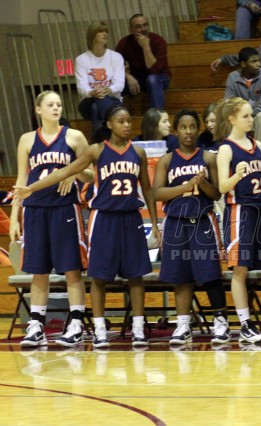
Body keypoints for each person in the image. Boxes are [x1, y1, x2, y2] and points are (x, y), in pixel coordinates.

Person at [14, 105, 160, 349]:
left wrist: (154, 223)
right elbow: (64, 171)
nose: (127, 125)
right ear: (109, 124)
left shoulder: (138, 152)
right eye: (121, 121)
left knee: (135, 276)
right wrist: (31, 188)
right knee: (99, 276)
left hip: (131, 217)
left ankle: (137, 327)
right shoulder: (96, 150)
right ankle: (100, 329)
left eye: (129, 121)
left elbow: (147, 189)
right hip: (103, 218)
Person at [10, 91, 93, 348]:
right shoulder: (26, 140)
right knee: (39, 270)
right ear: (38, 109)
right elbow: (21, 181)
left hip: (64, 208)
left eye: (58, 104)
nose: (56, 108)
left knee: (72, 268)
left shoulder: (74, 137)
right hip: (35, 210)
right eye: (50, 104)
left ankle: (76, 322)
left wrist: (73, 173)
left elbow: (91, 173)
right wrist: (14, 217)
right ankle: (36, 325)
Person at [214, 98, 261, 343]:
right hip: (240, 212)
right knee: (240, 269)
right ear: (232, 119)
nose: (251, 119)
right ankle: (245, 324)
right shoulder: (226, 149)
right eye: (245, 116)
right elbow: (222, 187)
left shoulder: (258, 145)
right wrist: (237, 175)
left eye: (251, 115)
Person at [153, 109, 224, 345]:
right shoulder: (166, 160)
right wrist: (184, 187)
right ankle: (183, 324)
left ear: (198, 129)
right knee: (180, 275)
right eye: (183, 127)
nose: (188, 131)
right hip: (176, 223)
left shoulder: (208, 157)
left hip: (202, 221)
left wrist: (202, 183)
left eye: (193, 127)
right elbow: (156, 193)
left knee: (210, 273)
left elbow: (216, 193)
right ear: (176, 131)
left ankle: (221, 321)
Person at [75, 21, 124, 140]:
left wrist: (108, 90)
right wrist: (92, 92)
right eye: (101, 31)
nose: (105, 34)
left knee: (96, 108)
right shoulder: (81, 60)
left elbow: (119, 84)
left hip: (113, 100)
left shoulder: (116, 57)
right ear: (92, 35)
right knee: (98, 100)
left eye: (106, 31)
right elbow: (81, 87)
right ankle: (114, 135)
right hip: (88, 101)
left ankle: (98, 140)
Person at [225, 47, 261, 153]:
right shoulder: (233, 77)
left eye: (259, 60)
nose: (258, 64)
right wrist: (254, 103)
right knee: (227, 118)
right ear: (243, 64)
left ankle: (260, 158)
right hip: (243, 120)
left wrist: (243, 109)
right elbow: (229, 106)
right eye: (254, 61)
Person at [116, 14, 171, 110]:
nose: (143, 29)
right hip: (137, 79)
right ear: (131, 30)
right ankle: (116, 115)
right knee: (116, 85)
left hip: (160, 77)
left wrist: (146, 47)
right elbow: (115, 67)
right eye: (138, 27)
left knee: (152, 79)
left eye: (145, 25)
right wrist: (128, 76)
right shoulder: (124, 43)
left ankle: (158, 115)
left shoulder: (158, 41)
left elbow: (155, 69)